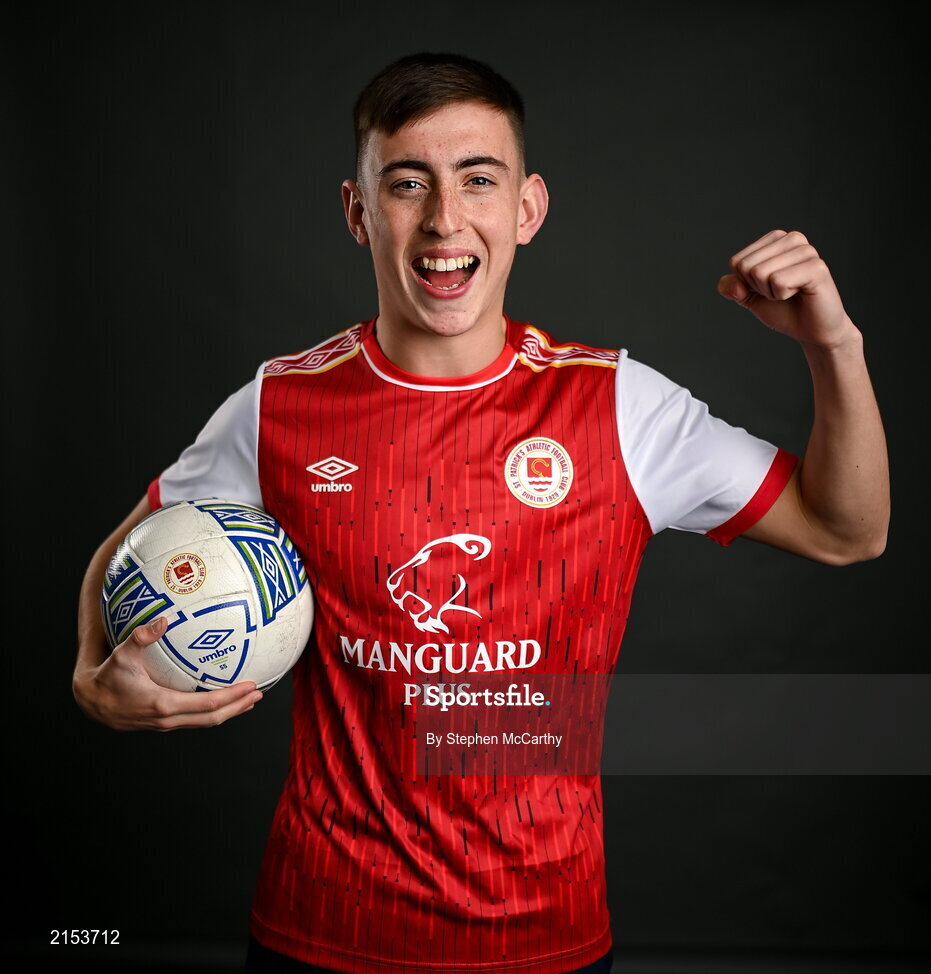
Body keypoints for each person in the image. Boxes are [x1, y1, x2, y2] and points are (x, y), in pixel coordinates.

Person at [73, 52, 889, 974]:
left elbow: (846, 529)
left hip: (545, 933)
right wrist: (87, 673)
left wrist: (834, 345)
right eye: (407, 184)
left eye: (477, 180)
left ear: (527, 209)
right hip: (321, 927)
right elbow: (137, 542)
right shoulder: (277, 407)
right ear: (357, 211)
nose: (444, 221)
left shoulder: (617, 407)